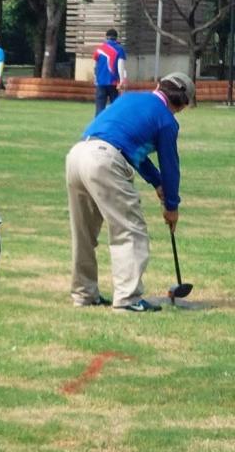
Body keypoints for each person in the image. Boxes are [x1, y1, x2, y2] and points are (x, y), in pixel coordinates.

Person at [65, 72, 193, 313]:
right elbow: (170, 165)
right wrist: (172, 206)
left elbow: (133, 149)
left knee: (83, 232)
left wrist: (156, 183)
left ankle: (84, 294)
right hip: (105, 160)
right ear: (182, 105)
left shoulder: (128, 98)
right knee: (130, 229)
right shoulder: (167, 120)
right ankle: (128, 299)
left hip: (78, 154)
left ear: (158, 86)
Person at [93, 28, 127, 115]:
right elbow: (121, 67)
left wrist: (95, 78)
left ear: (106, 37)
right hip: (113, 83)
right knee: (115, 108)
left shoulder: (99, 50)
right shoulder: (119, 49)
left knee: (99, 109)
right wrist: (122, 81)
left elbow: (95, 66)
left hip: (100, 82)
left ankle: (99, 127)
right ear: (116, 38)